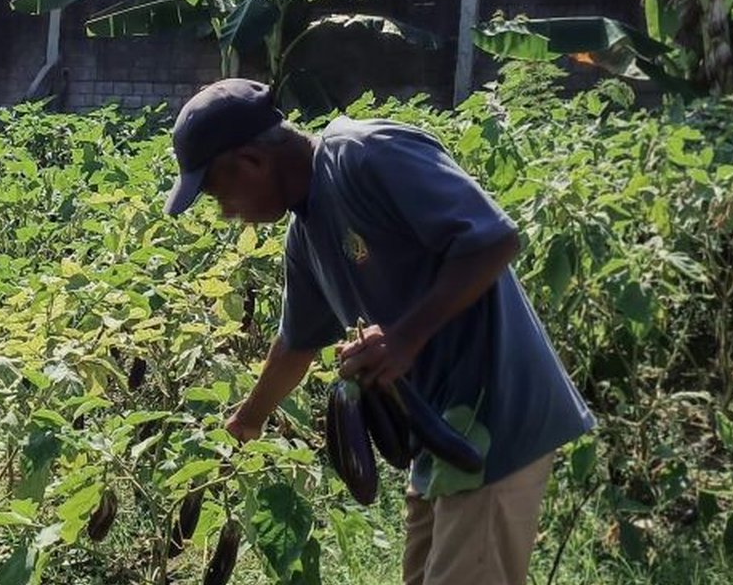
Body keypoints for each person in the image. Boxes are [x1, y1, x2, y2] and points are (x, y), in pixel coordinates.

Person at [162, 78, 596, 585]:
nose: (226, 212)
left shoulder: (366, 155)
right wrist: (245, 422)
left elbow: (493, 240)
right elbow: (296, 344)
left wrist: (404, 337)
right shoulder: (305, 236)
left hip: (495, 415)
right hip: (441, 432)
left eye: (219, 193)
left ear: (251, 162)